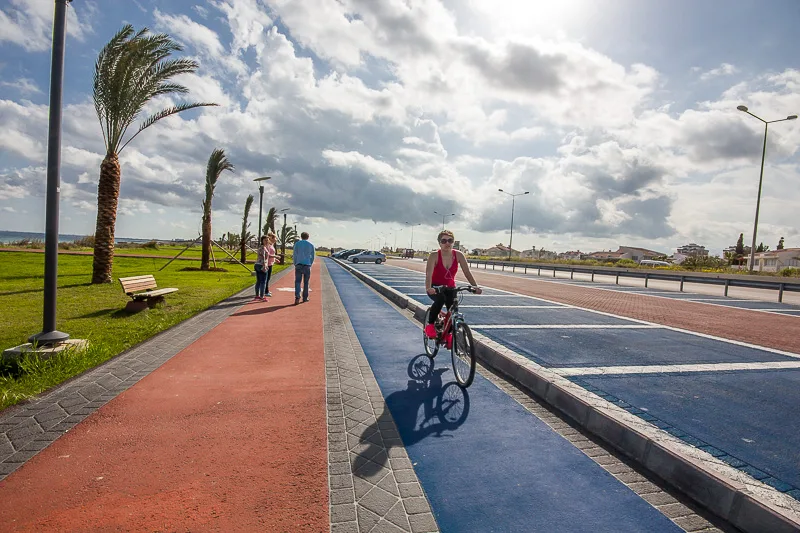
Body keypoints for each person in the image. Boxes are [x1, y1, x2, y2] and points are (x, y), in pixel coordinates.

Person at [424, 229, 482, 338]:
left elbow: (467, 272)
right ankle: (430, 325)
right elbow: (428, 274)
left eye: (450, 241)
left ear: (453, 242)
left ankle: (448, 335)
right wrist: (429, 288)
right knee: (440, 299)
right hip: (435, 287)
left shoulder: (458, 255)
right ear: (439, 243)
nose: (447, 243)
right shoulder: (434, 255)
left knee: (453, 311)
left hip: (450, 288)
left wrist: (475, 286)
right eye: (444, 241)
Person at [293, 231, 315, 304]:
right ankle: (305, 297)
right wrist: (310, 263)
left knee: (298, 281)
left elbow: (295, 254)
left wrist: (295, 263)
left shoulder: (297, 244)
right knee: (306, 282)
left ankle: (297, 296)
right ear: (308, 237)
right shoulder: (311, 245)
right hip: (307, 265)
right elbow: (312, 256)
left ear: (301, 236)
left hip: (299, 264)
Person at [253, 235, 269, 301]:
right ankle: (262, 296)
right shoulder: (263, 248)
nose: (267, 241)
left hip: (257, 264)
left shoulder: (260, 247)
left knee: (258, 281)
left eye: (267, 240)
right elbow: (263, 257)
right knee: (263, 281)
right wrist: (265, 265)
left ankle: (257, 295)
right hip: (261, 265)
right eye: (265, 240)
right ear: (262, 240)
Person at [264, 232, 277, 297]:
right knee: (266, 278)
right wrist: (275, 257)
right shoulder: (268, 245)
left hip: (270, 263)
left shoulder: (271, 245)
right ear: (271, 238)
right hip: (267, 264)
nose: (276, 239)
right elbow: (267, 255)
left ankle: (266, 290)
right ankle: (265, 291)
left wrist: (275, 259)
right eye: (275, 238)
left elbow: (272, 254)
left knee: (268, 278)